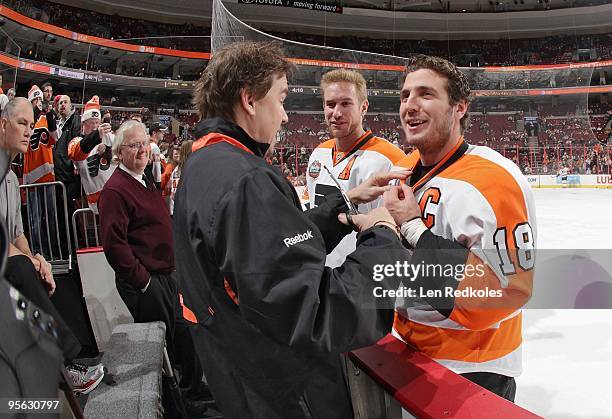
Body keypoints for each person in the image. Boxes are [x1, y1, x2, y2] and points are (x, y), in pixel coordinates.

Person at [174, 41, 410, 419]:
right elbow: (312, 311)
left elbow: (266, 250)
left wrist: (346, 202)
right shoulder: (246, 178)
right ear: (250, 100)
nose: (285, 116)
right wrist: (383, 236)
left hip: (239, 373)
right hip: (285, 387)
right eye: (281, 99)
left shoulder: (204, 161)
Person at [383, 55, 536, 402]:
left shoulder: (495, 180)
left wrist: (412, 227)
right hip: (407, 349)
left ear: (459, 107)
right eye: (405, 95)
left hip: (472, 369)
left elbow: (501, 292)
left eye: (425, 94)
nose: (410, 105)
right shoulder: (404, 167)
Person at [0, 97, 104, 394]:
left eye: (31, 125)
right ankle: (68, 361)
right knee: (21, 267)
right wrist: (26, 260)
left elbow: (16, 233)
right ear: (3, 123)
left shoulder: (9, 177)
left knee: (39, 271)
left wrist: (37, 257)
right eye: (22, 123)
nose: (28, 131)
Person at [97, 120, 203, 401]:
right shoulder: (115, 191)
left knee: (184, 334)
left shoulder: (144, 180)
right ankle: (168, 402)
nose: (143, 149)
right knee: (161, 347)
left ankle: (190, 392)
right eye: (134, 145)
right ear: (119, 152)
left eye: (144, 143)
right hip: (148, 282)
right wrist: (143, 281)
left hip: (168, 275)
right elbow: (114, 245)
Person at [305, 69, 405, 267]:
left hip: (362, 276)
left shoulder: (391, 159)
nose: (337, 113)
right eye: (330, 104)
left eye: (346, 103)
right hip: (319, 271)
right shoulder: (318, 153)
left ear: (363, 107)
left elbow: (396, 230)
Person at [24, 85, 59, 259]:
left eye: (39, 99)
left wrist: (50, 115)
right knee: (35, 220)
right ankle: (39, 253)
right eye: (34, 100)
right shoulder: (25, 122)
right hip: (31, 177)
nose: (38, 103)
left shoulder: (47, 118)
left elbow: (55, 137)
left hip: (48, 175)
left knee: (50, 218)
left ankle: (53, 251)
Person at [68, 96, 116, 213]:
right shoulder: (76, 141)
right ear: (83, 123)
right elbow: (76, 153)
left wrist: (109, 150)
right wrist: (96, 137)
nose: (95, 126)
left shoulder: (110, 137)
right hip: (97, 202)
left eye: (97, 122)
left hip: (117, 195)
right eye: (91, 122)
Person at [168, 141, 191, 215]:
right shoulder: (189, 168)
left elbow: (169, 186)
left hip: (174, 209)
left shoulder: (177, 169)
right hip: (183, 210)